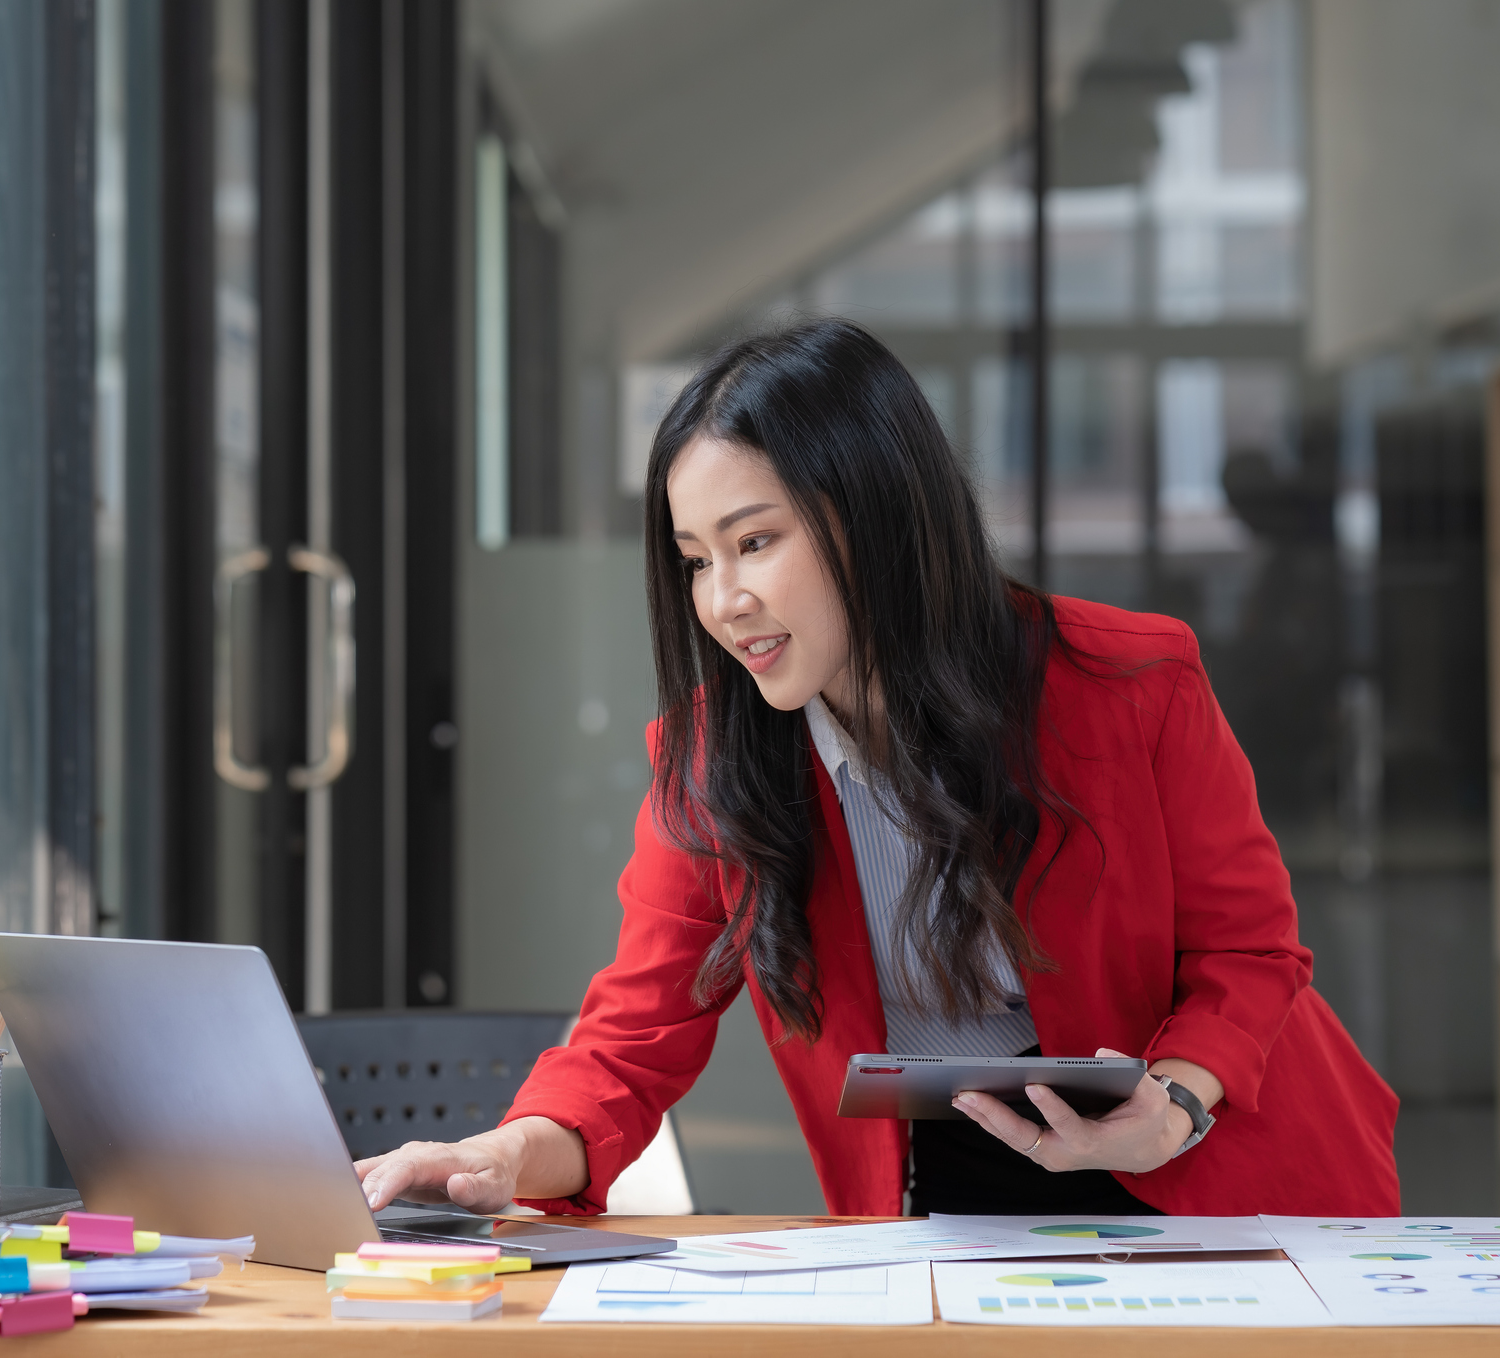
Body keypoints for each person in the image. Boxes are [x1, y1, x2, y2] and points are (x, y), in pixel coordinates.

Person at [356, 317, 1400, 1218]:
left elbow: (1251, 951)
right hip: (946, 1192)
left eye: (754, 541)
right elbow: (629, 1044)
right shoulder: (715, 759)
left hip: (1215, 1160)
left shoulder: (1129, 681)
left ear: (878, 516)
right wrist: (500, 1152)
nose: (721, 601)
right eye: (694, 560)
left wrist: (1169, 1105)